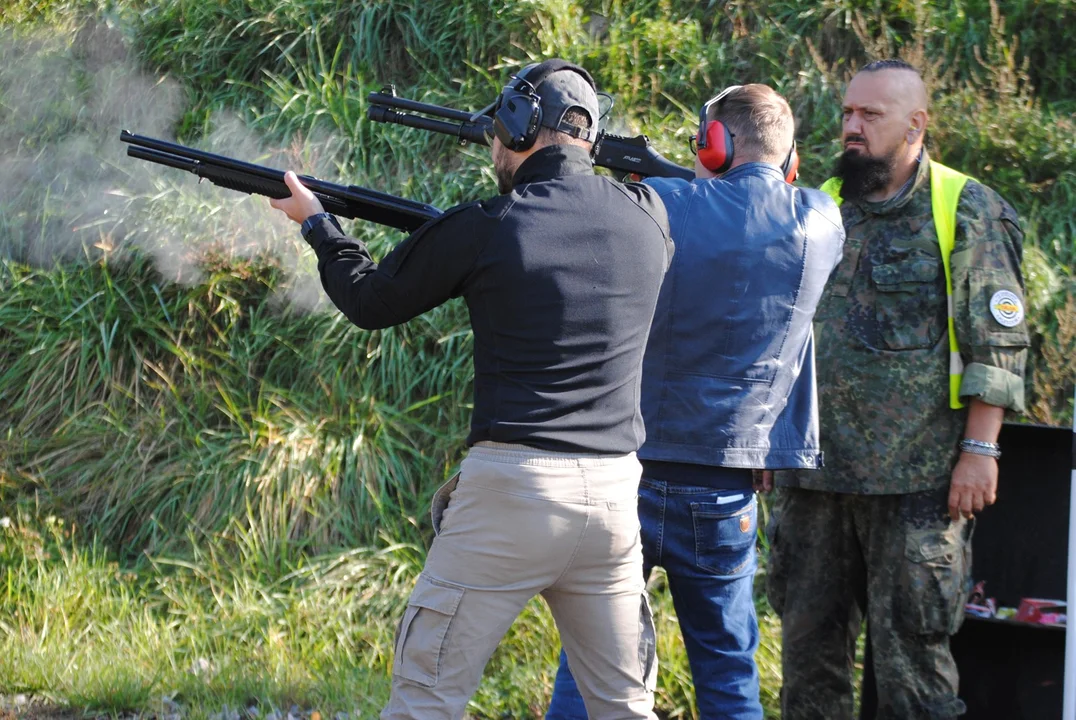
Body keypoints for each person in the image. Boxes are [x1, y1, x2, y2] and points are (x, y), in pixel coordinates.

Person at [269, 59, 673, 720]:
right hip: (612, 502)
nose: (492, 146)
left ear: (517, 127)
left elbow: (369, 300)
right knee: (626, 709)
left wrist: (318, 225)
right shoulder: (650, 217)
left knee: (424, 702)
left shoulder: (490, 224)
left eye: (497, 130)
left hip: (513, 495)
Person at [545, 84, 844, 720]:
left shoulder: (664, 203)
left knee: (592, 666)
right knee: (729, 677)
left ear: (715, 145)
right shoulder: (820, 219)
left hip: (629, 477)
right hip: (726, 490)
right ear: (790, 159)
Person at [767, 59, 1030, 720]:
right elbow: (778, 329)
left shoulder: (965, 207)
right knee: (807, 666)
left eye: (870, 116)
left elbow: (996, 342)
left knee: (913, 672)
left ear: (916, 125)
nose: (851, 128)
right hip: (813, 481)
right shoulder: (818, 204)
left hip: (917, 486)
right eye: (849, 113)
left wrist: (981, 450)